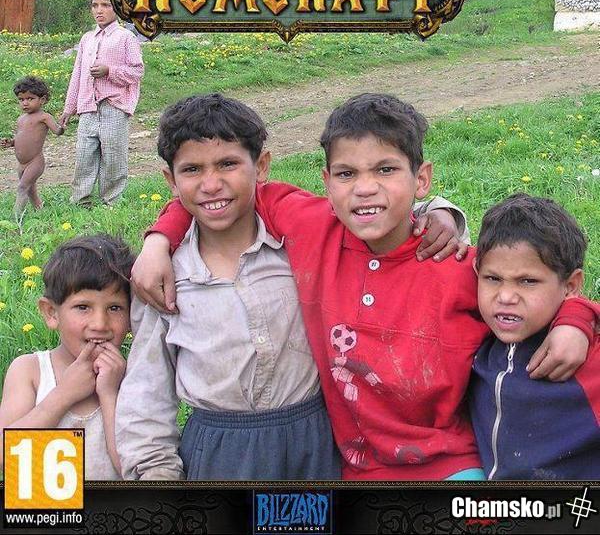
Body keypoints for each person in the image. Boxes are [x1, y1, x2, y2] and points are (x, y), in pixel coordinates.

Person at [134, 93, 596, 481]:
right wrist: (159, 239)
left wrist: (577, 319)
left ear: (421, 179)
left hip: (448, 466)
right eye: (347, 174)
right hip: (349, 468)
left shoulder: (453, 263)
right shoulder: (312, 228)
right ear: (326, 183)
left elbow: (529, 293)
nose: (365, 188)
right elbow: (221, 192)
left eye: (386, 170)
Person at [116, 94, 461, 481]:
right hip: (218, 454)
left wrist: (439, 212)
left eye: (228, 164)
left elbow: (379, 215)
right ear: (170, 180)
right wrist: (155, 477)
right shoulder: (161, 277)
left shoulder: (302, 243)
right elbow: (146, 393)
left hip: (316, 444)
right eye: (192, 169)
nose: (211, 184)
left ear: (261, 166)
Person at [469, 194, 600, 480]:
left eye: (528, 281)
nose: (505, 297)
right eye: (492, 278)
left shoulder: (585, 358)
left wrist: (582, 316)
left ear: (571, 285)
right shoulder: (474, 331)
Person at [0, 234, 134, 480]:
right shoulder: (31, 371)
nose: (100, 324)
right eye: (83, 307)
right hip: (45, 506)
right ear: (51, 313)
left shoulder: (131, 377)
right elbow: (5, 457)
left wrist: (109, 394)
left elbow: (131, 470)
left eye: (115, 308)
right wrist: (64, 394)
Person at [59, 0, 144, 207]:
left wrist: (110, 71)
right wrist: (69, 108)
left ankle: (111, 202)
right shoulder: (87, 39)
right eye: (95, 5)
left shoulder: (126, 38)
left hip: (114, 107)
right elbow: (77, 74)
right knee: (84, 156)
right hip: (88, 108)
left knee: (113, 157)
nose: (99, 10)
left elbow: (137, 71)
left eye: (106, 5)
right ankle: (80, 202)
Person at [0, 76, 64, 217]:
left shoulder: (44, 117)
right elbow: (21, 138)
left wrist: (61, 128)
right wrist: (11, 142)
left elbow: (57, 131)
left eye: (30, 98)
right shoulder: (21, 119)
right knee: (30, 189)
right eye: (21, 99)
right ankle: (39, 208)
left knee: (22, 187)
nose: (25, 103)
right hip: (21, 163)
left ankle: (16, 216)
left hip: (35, 161)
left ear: (42, 100)